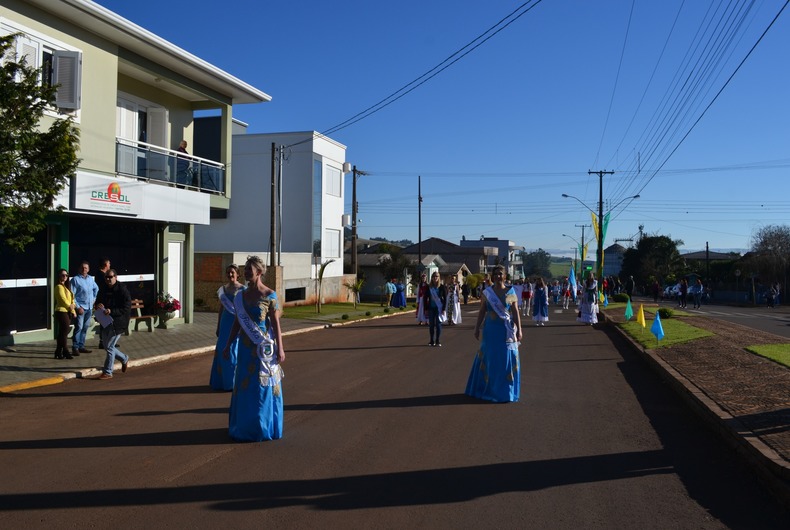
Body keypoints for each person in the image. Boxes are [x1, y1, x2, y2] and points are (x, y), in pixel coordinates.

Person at [222, 255, 285, 442]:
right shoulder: (240, 296)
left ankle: (261, 426)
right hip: (245, 350)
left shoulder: (269, 295)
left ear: (259, 271)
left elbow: (275, 325)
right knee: (244, 387)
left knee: (260, 388)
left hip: (263, 350)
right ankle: (243, 426)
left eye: (250, 269)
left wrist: (280, 349)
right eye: (246, 269)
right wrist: (228, 345)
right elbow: (236, 323)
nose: (247, 272)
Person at [465, 265, 522, 403]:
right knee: (490, 358)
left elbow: (515, 312)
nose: (497, 276)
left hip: (505, 330)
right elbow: (482, 311)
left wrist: (519, 329)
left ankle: (504, 391)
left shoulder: (510, 291)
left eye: (500, 274)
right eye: (495, 274)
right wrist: (477, 327)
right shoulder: (487, 292)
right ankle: (487, 389)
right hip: (490, 330)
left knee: (504, 360)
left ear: (505, 276)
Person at [210, 264, 245, 391]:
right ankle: (221, 381)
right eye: (228, 273)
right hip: (225, 322)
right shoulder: (223, 290)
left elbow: (245, 309)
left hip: (237, 323)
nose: (230, 275)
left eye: (232, 272)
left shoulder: (243, 289)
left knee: (233, 350)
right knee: (221, 349)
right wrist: (218, 325)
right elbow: (221, 308)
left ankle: (233, 382)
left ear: (238, 274)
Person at [96, 269, 131, 379]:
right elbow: (97, 301)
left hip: (119, 322)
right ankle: (124, 358)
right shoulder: (103, 288)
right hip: (105, 321)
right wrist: (98, 305)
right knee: (107, 346)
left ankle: (107, 372)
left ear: (116, 277)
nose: (108, 279)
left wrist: (112, 311)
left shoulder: (122, 290)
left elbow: (126, 307)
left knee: (110, 347)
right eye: (106, 277)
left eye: (110, 277)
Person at [70, 261, 98, 356]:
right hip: (81, 308)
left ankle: (81, 346)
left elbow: (96, 289)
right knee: (79, 327)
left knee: (85, 327)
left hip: (89, 308)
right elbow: (71, 295)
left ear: (88, 269)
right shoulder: (75, 280)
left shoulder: (90, 279)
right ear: (79, 268)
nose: (84, 269)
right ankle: (75, 347)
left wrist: (94, 299)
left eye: (86, 268)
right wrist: (78, 307)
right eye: (82, 267)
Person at [53, 268, 77, 360]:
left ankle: (58, 352)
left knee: (62, 333)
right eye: (63, 275)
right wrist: (71, 309)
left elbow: (72, 300)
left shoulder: (67, 287)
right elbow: (63, 300)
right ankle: (66, 351)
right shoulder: (58, 287)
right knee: (64, 333)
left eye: (66, 275)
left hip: (67, 311)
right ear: (59, 276)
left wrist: (73, 309)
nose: (65, 277)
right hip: (61, 311)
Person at [424, 271, 448, 346]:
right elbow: (425, 298)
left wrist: (444, 309)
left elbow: (445, 298)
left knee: (438, 324)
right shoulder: (429, 287)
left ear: (439, 278)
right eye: (434, 276)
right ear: (432, 278)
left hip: (439, 308)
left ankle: (437, 340)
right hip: (431, 308)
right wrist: (426, 308)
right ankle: (431, 340)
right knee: (431, 325)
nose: (435, 278)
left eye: (436, 276)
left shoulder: (442, 287)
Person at [96, 258, 111, 349]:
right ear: (105, 265)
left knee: (106, 322)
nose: (110, 265)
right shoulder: (101, 275)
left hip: (104, 300)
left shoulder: (100, 274)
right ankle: (104, 342)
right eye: (109, 263)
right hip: (103, 301)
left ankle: (107, 341)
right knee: (104, 322)